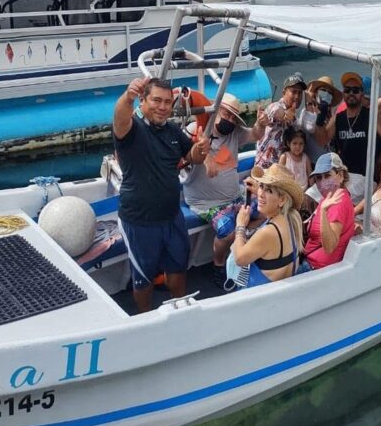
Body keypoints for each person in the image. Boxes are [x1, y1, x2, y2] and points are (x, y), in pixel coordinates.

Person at [113, 76, 210, 313]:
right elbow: (119, 118)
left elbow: (192, 158)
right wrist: (127, 97)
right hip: (139, 221)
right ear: (143, 101)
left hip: (172, 217)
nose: (163, 106)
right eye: (156, 100)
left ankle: (181, 310)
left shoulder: (173, 131)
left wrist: (200, 151)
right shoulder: (132, 128)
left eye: (167, 102)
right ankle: (145, 318)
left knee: (178, 267)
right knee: (143, 278)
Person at [182, 93, 260, 289]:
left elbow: (256, 135)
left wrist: (261, 123)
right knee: (227, 230)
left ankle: (247, 254)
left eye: (234, 117)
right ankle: (218, 264)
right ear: (216, 111)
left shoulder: (235, 132)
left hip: (236, 195)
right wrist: (206, 158)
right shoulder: (195, 130)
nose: (230, 120)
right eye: (227, 114)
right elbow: (185, 155)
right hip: (205, 204)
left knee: (265, 211)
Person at [228, 164, 304, 287]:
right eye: (261, 187)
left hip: (257, 298)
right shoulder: (293, 218)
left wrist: (240, 225)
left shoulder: (268, 233)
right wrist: (263, 191)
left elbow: (239, 259)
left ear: (282, 200)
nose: (261, 194)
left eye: (268, 190)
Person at [314, 72, 381, 203]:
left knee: (332, 198)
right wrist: (320, 119)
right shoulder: (338, 118)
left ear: (362, 94)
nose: (351, 93)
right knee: (312, 194)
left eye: (355, 90)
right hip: (345, 176)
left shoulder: (372, 116)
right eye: (347, 90)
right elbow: (322, 140)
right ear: (343, 94)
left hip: (366, 178)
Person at [301, 153, 356, 271]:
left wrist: (324, 213)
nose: (322, 182)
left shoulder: (338, 200)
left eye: (327, 176)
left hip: (315, 268)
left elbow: (330, 247)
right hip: (311, 263)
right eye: (319, 178)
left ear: (340, 176)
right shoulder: (328, 198)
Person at [255, 72, 306, 169]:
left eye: (300, 93)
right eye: (293, 92)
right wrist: (285, 116)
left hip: (280, 170)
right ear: (283, 93)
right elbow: (277, 112)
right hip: (265, 169)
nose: (297, 96)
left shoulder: (295, 118)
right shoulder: (275, 106)